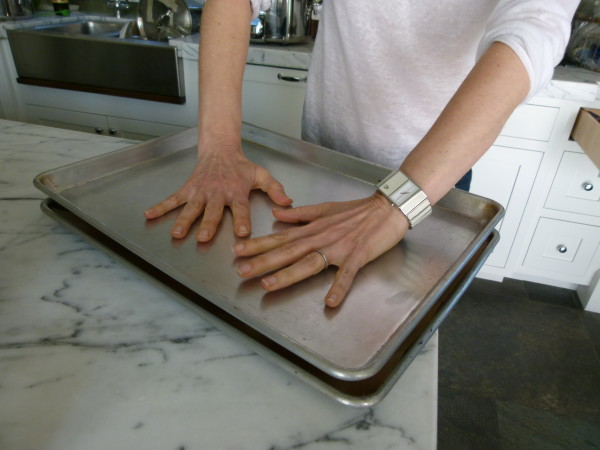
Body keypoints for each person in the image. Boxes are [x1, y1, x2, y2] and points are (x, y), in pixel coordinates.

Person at [144, 0, 579, 307]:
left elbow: (532, 31)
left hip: (431, 183)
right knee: (293, 307)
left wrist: (396, 202)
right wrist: (218, 146)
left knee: (390, 322)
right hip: (320, 157)